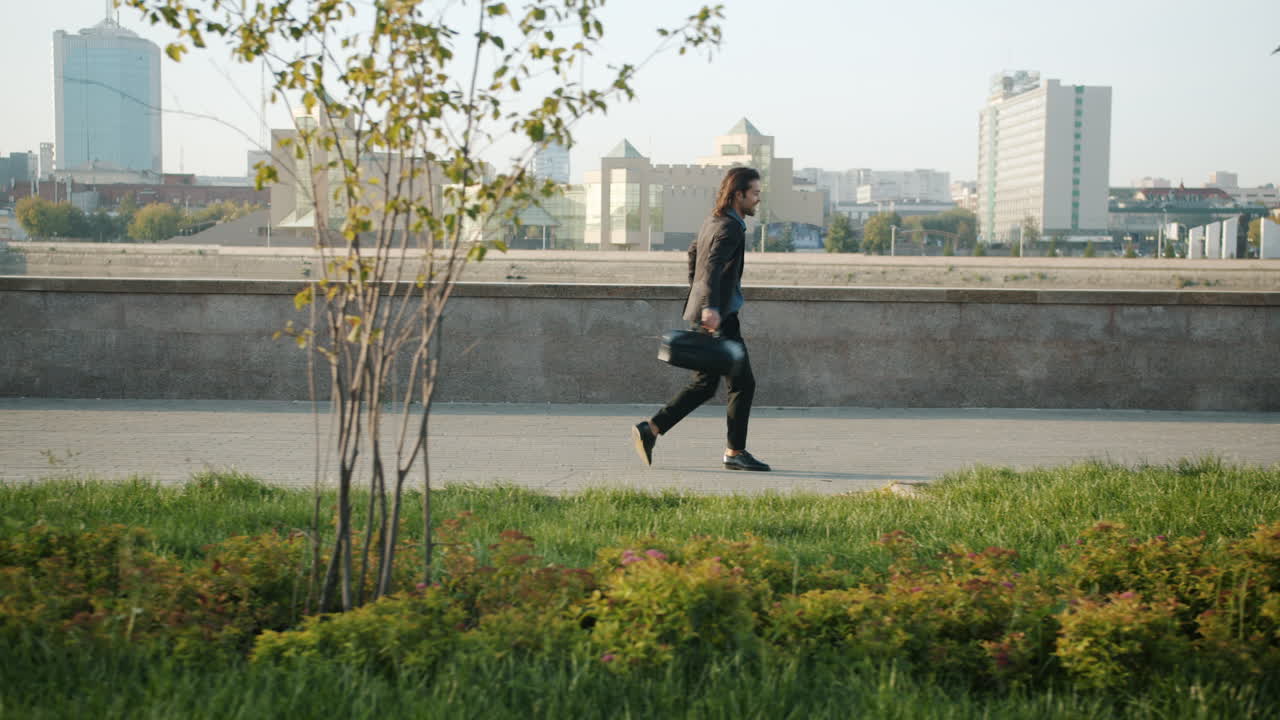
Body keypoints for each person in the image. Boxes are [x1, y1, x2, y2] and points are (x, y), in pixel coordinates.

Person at [631, 166, 770, 472]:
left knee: (706, 384)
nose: (758, 199)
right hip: (720, 317)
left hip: (710, 312)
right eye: (755, 193)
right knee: (742, 384)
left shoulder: (713, 219)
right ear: (739, 194)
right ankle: (734, 453)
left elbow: (695, 253)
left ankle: (651, 429)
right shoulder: (731, 227)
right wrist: (711, 307)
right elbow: (714, 263)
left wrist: (698, 294)